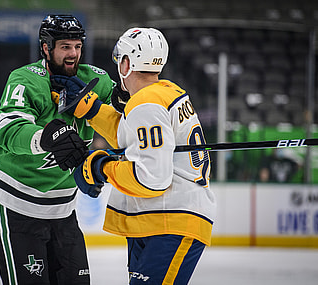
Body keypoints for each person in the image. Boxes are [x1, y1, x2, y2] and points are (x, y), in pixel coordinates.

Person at [52, 27, 216, 284]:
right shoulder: (167, 92)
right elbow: (132, 137)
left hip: (170, 222)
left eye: (120, 59)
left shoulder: (146, 103)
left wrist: (101, 167)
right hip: (160, 220)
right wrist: (93, 110)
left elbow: (152, 178)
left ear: (127, 63)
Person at [0, 14, 116, 285]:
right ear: (46, 47)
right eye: (65, 47)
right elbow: (8, 130)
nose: (73, 54)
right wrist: (46, 137)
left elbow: (125, 114)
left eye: (77, 46)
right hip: (15, 202)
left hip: (63, 210)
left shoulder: (95, 80)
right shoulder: (26, 79)